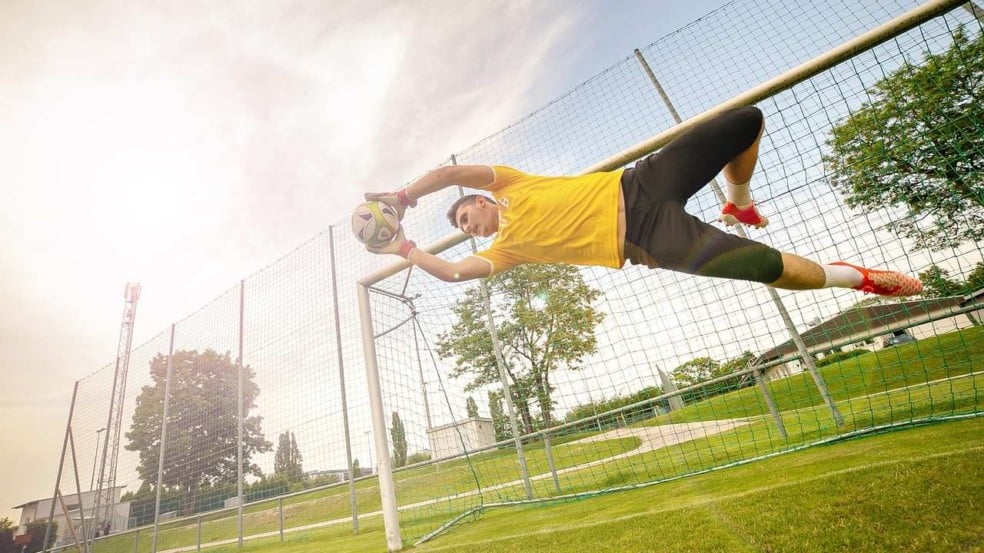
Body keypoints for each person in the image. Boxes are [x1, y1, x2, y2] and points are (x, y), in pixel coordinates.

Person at [364, 106, 922, 297]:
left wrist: (404, 195)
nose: (470, 226)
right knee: (766, 267)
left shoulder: (509, 181)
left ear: (484, 200)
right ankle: (861, 279)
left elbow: (452, 170)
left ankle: (740, 202)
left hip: (641, 184)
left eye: (468, 214)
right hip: (648, 241)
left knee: (745, 122)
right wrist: (408, 247)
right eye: (465, 226)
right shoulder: (509, 248)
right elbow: (456, 273)